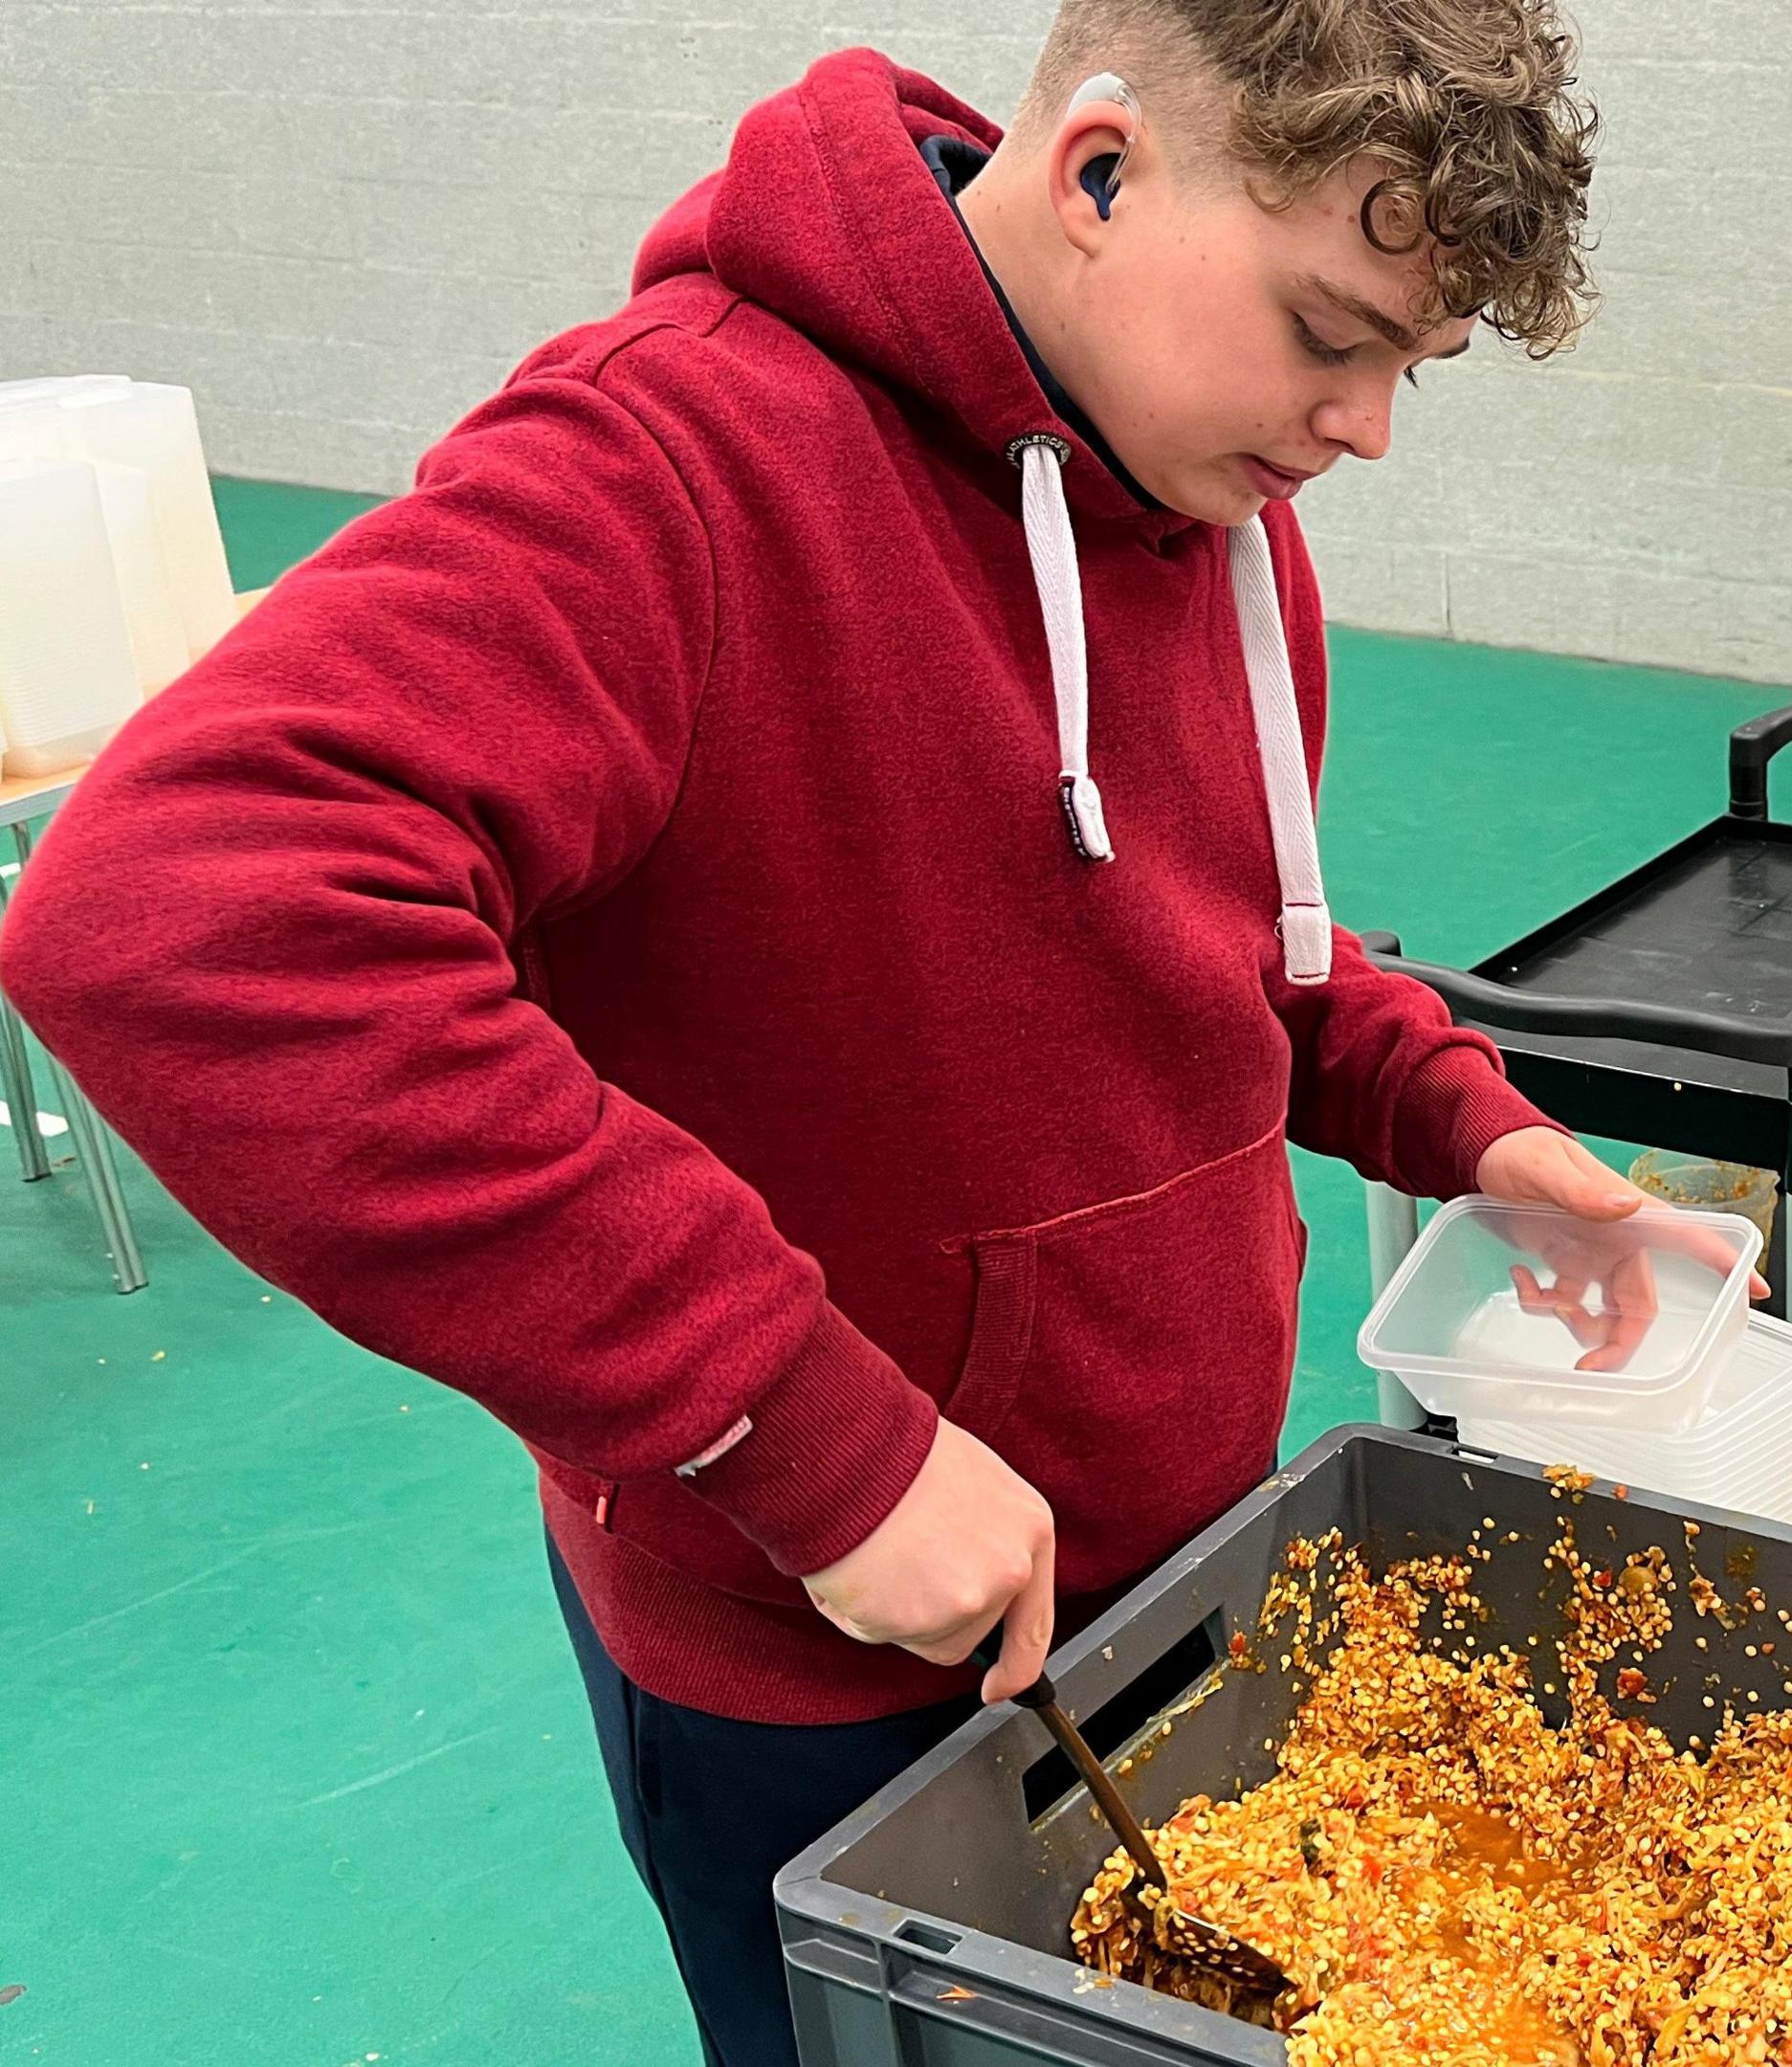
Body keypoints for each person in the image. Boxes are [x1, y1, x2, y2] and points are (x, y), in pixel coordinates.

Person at [0, 5, 1657, 2062]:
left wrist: (1461, 1121)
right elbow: (185, 913)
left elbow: (1237, 930)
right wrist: (816, 1439)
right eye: (1333, 334)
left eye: (1415, 365)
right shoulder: (668, 465)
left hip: (1168, 1578)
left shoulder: (1210, 505)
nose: (1368, 428)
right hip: (820, 1651)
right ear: (1102, 171)